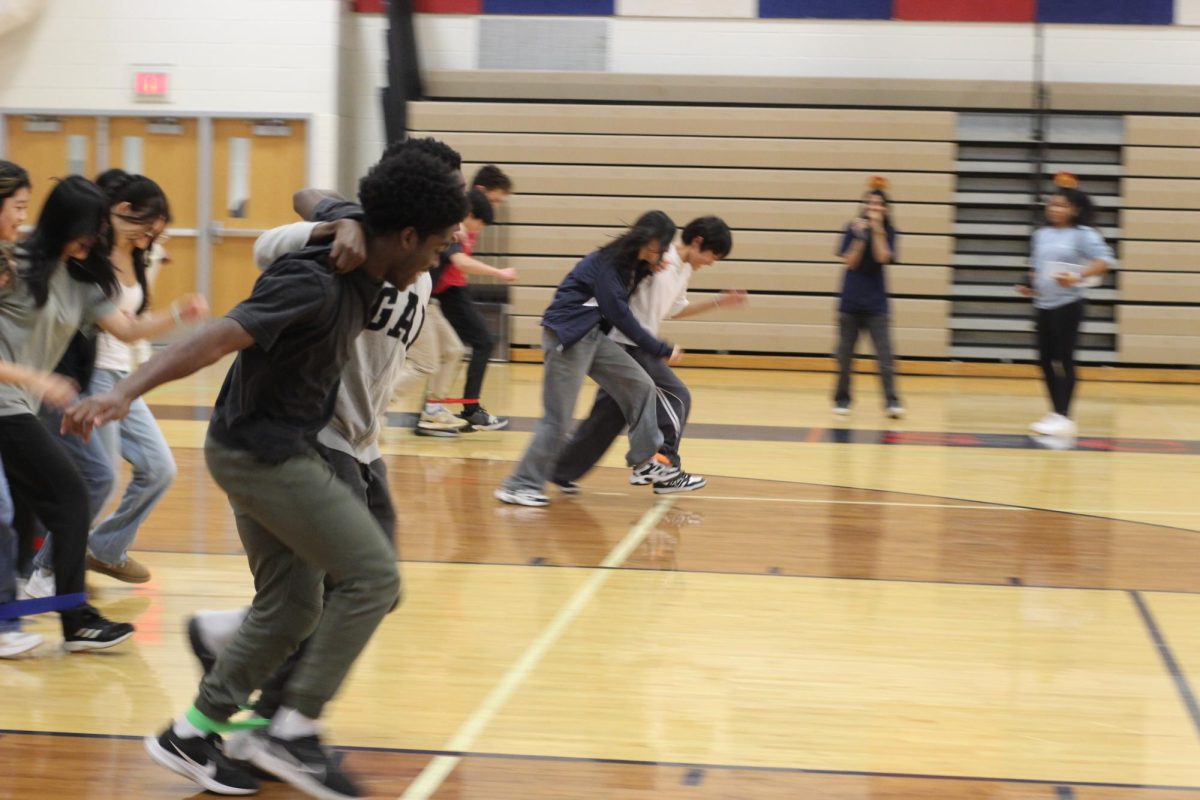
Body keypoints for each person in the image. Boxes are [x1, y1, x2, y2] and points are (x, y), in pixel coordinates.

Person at [64, 148, 467, 799]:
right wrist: (123, 392)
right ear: (410, 235)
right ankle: (293, 732)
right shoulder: (317, 276)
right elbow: (218, 337)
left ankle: (192, 734)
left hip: (283, 446)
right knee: (371, 577)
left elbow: (321, 199)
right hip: (261, 451)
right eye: (440, 245)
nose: (440, 260)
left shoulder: (371, 249)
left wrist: (340, 218)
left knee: (294, 605)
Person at [0, 175, 193, 651]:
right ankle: (73, 619)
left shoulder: (83, 281)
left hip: (21, 404)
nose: (94, 243)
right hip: (8, 403)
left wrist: (176, 314)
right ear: (65, 223)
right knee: (69, 497)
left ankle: (15, 618)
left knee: (29, 514)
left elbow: (126, 330)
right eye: (88, 231)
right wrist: (36, 379)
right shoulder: (14, 264)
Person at [496, 211, 685, 508]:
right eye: (655, 245)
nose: (657, 252)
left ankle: (645, 461)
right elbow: (620, 314)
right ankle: (519, 484)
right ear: (643, 236)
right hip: (567, 337)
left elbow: (614, 303)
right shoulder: (609, 264)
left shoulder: (631, 263)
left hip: (591, 337)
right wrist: (659, 347)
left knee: (641, 385)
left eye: (660, 248)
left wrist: (649, 269)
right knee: (557, 419)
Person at [551, 216, 740, 494]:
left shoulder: (683, 269)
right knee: (676, 396)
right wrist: (660, 347)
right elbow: (623, 283)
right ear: (698, 241)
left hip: (634, 343)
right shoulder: (661, 258)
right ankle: (665, 469)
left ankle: (561, 470)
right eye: (714, 255)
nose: (712, 262)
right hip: (628, 343)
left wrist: (717, 302)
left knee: (608, 417)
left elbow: (675, 309)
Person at [1016, 172, 1115, 437]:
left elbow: (1104, 261)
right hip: (1043, 305)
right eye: (1052, 204)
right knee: (1044, 360)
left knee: (1065, 359)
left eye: (1061, 205)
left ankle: (1064, 415)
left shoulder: (1083, 234)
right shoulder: (1041, 234)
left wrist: (1078, 276)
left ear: (1074, 209)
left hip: (1069, 305)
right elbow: (1036, 268)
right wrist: (1030, 284)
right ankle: (1055, 411)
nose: (1054, 209)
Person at [427, 188, 516, 431]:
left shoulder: (458, 227)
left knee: (454, 350)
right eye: (495, 199)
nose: (482, 228)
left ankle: (433, 409)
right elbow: (459, 261)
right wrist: (499, 273)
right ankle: (460, 408)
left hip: (435, 296)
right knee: (419, 364)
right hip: (428, 297)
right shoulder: (452, 227)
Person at [832, 176, 903, 419]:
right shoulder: (852, 228)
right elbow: (850, 263)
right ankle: (842, 400)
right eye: (870, 204)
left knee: (885, 357)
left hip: (876, 305)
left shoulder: (891, 231)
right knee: (844, 357)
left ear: (885, 208)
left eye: (878, 204)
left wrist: (878, 231)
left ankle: (892, 402)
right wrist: (861, 238)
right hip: (850, 303)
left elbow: (883, 257)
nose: (874, 208)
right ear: (864, 206)